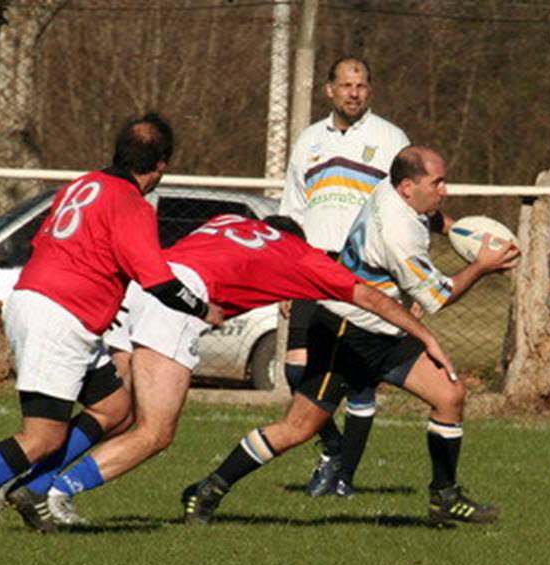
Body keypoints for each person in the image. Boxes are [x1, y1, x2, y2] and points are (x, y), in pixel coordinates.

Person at [4, 213, 454, 528]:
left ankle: (16, 483)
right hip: (177, 303)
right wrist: (427, 336)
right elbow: (370, 298)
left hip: (144, 287)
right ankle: (52, 494)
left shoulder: (228, 222)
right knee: (154, 432)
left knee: (114, 410)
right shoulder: (299, 256)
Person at [181, 146, 519, 526]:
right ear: (408, 187)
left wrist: (457, 230)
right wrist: (482, 265)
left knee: (450, 394)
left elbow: (434, 216)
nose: (445, 190)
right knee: (297, 429)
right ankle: (208, 488)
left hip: (384, 330)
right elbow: (438, 297)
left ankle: (444, 496)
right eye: (437, 182)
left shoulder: (390, 191)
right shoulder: (397, 233)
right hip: (346, 332)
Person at [0, 113, 222, 532]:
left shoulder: (84, 184)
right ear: (162, 164)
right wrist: (204, 310)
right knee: (43, 437)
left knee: (114, 408)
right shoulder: (131, 202)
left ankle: (33, 489)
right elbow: (160, 282)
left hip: (48, 304)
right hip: (57, 317)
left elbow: (51, 244)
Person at [279, 56, 411, 498]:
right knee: (297, 372)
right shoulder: (308, 140)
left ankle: (344, 478)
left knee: (359, 377)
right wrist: (282, 272)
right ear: (328, 89)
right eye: (346, 85)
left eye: (362, 85)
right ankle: (333, 448)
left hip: (363, 270)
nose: (355, 92)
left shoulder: (391, 139)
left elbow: (406, 207)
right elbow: (292, 210)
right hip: (309, 267)